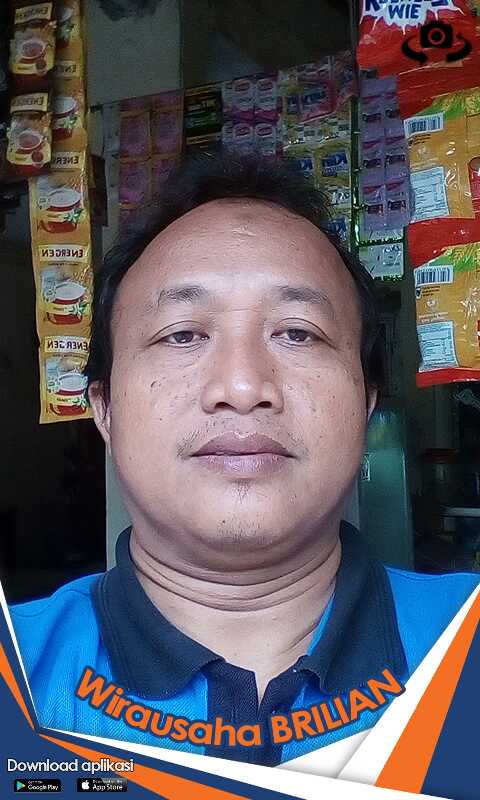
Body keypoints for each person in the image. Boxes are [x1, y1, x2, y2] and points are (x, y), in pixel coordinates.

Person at [10, 154, 479, 766]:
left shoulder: (464, 646)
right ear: (104, 409)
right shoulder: (18, 678)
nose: (241, 385)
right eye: (181, 334)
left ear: (366, 405)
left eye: (298, 332)